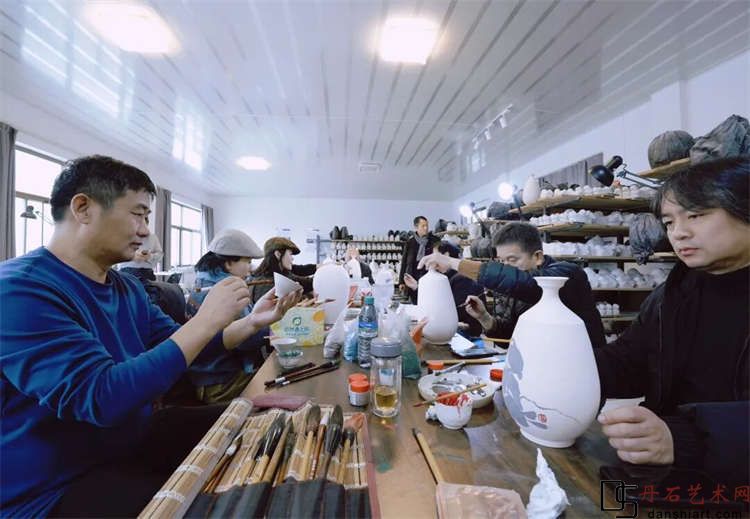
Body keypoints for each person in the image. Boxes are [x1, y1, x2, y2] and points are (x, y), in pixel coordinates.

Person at [0, 156, 300, 517]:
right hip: (55, 485)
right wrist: (205, 320)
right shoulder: (18, 291)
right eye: (138, 215)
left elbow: (185, 346)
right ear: (83, 208)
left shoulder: (126, 287)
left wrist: (251, 322)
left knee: (265, 421)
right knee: (224, 507)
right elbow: (101, 396)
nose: (145, 231)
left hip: (129, 440)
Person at [593, 157, 748, 487]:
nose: (679, 233)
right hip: (675, 475)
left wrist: (684, 439)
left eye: (696, 215)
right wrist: (571, 371)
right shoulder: (675, 293)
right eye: (669, 222)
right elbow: (629, 360)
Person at [419, 222, 605, 348]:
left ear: (537, 257)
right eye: (502, 261)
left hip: (582, 365)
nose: (506, 267)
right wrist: (485, 318)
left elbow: (530, 285)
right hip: (540, 364)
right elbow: (509, 338)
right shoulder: (514, 286)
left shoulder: (567, 275)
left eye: (512, 260)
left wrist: (452, 262)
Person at [187, 228, 270, 403]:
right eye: (247, 261)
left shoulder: (203, 282)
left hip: (204, 378)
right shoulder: (226, 291)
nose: (251, 268)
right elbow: (244, 341)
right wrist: (272, 328)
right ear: (229, 263)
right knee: (277, 383)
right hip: (220, 381)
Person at [404, 242, 486, 337]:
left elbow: (450, 311)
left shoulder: (463, 278)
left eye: (435, 257)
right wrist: (416, 287)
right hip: (450, 327)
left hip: (465, 331)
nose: (432, 261)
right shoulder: (447, 277)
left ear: (446, 255)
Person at [118, 234, 187, 324]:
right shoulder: (122, 235)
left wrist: (150, 256)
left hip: (147, 273)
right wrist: (132, 256)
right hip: (127, 272)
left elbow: (160, 255)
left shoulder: (152, 237)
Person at [249, 237, 316, 304]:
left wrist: (316, 267)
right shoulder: (273, 282)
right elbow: (306, 283)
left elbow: (298, 269)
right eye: (290, 254)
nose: (292, 258)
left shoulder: (262, 275)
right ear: (278, 254)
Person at [399, 216, 441, 303]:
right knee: (415, 304)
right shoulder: (410, 242)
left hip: (429, 280)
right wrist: (401, 282)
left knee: (428, 303)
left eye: (427, 225)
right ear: (416, 227)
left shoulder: (434, 241)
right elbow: (404, 262)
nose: (426, 228)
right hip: (412, 279)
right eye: (423, 226)